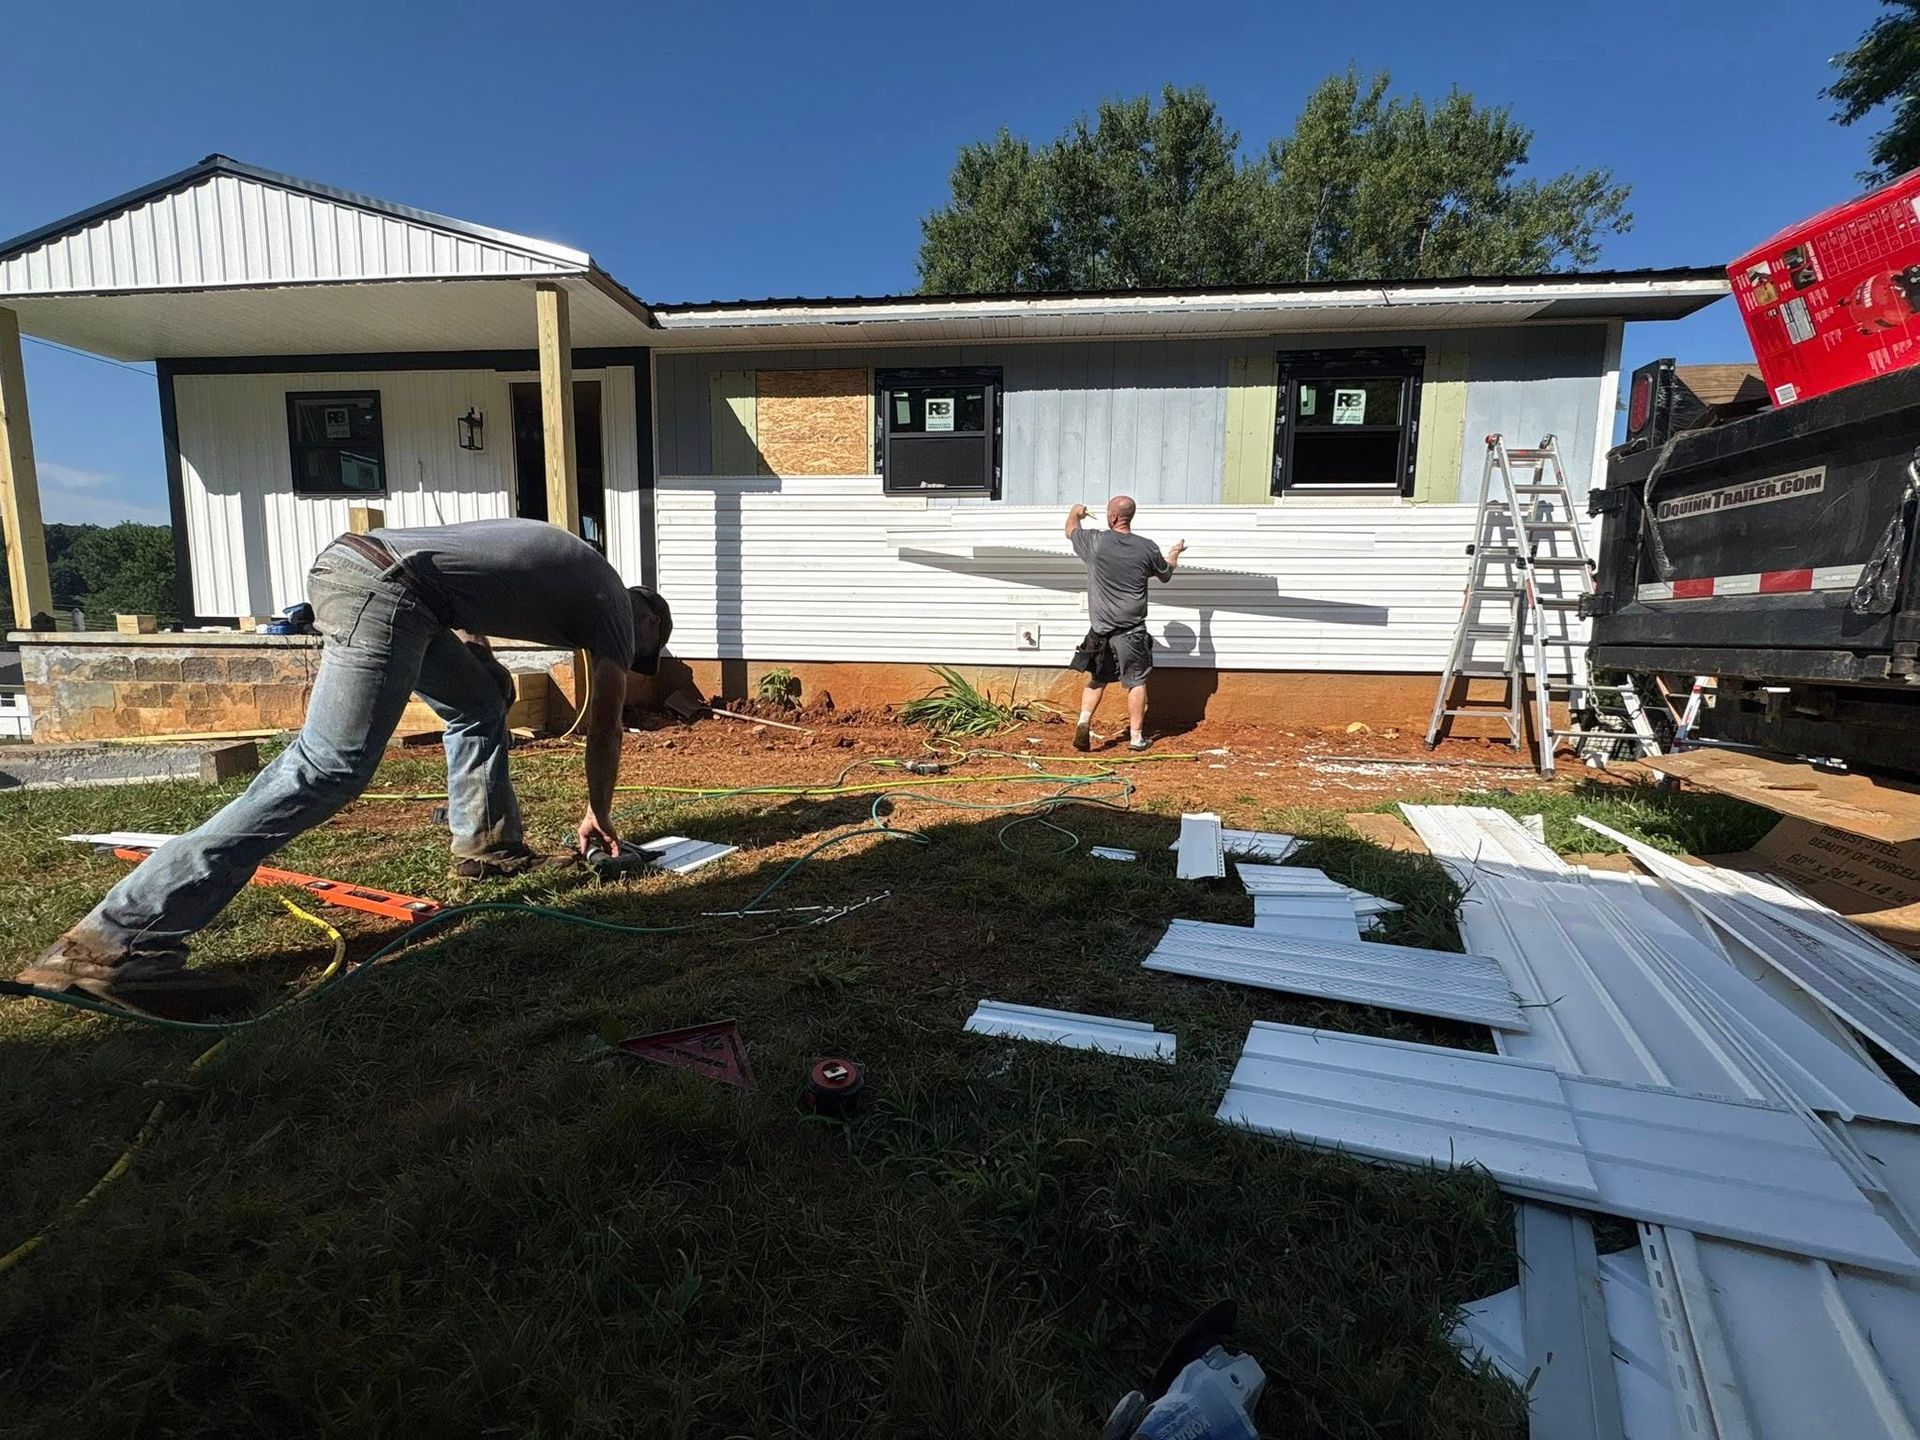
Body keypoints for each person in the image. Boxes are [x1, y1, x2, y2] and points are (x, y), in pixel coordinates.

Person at [14, 518, 672, 1016]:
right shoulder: (614, 607)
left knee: (478, 702)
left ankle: (487, 848)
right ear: (646, 618)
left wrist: (484, 664)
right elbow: (606, 728)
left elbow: (469, 588)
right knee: (331, 765)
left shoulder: (569, 563)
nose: (633, 659)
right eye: (646, 650)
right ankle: (116, 940)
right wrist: (599, 815)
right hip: (389, 589)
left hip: (386, 572)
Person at [1065, 496, 1185, 752]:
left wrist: (1076, 512)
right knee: (1136, 682)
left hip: (1100, 631)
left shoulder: (1094, 542)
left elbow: (1071, 530)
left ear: (1112, 517)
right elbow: (1165, 573)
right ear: (1129, 517)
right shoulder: (1147, 548)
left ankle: (1084, 721)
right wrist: (1173, 555)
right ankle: (1136, 738)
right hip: (1131, 632)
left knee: (1097, 680)